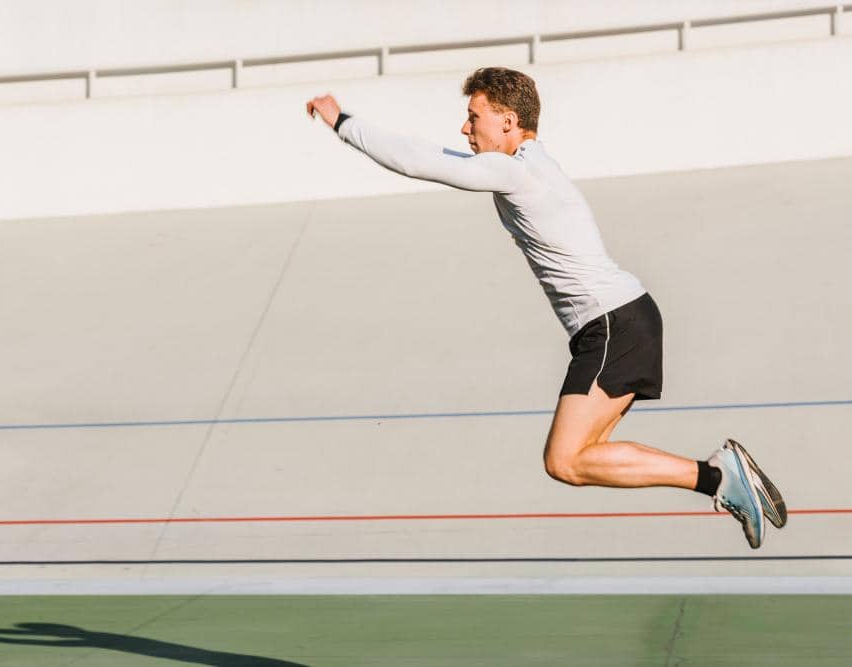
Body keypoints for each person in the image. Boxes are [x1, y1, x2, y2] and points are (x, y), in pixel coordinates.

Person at [305, 67, 786, 549]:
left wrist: (343, 122)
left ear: (509, 121)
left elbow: (422, 160)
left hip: (613, 324)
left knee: (566, 459)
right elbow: (442, 155)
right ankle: (718, 478)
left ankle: (721, 476)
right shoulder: (527, 162)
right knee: (576, 457)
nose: (465, 128)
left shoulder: (516, 169)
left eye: (474, 117)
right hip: (623, 320)